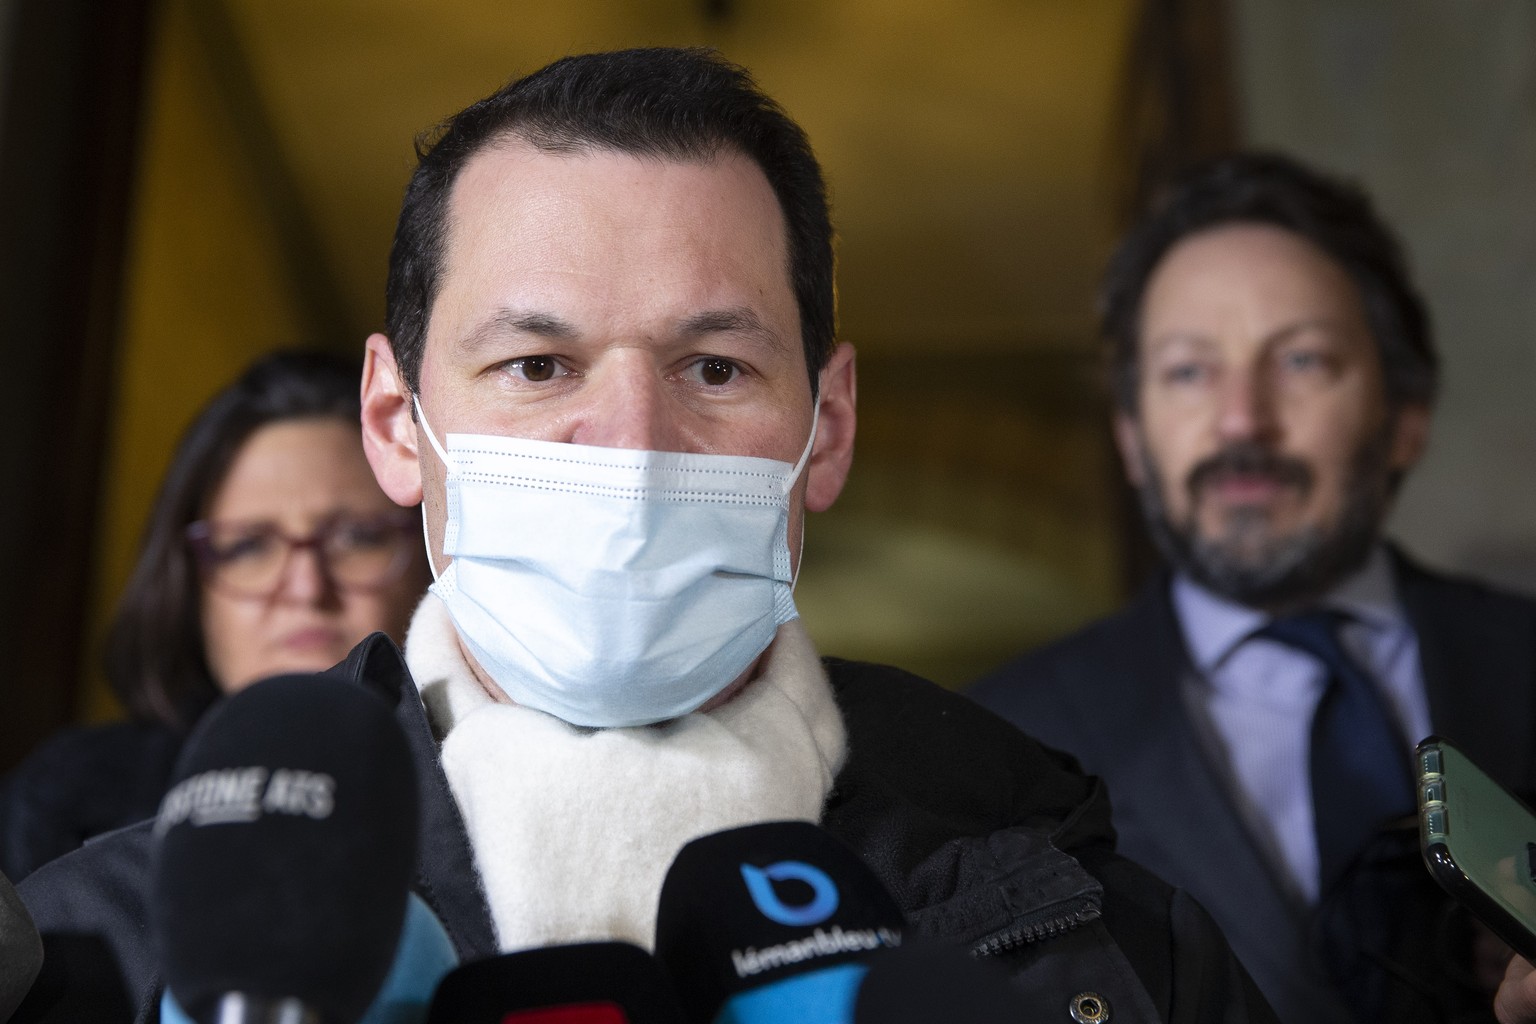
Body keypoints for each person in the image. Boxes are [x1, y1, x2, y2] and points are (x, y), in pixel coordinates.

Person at [16, 49, 1273, 1023]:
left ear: (825, 427)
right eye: (536, 363)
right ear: (398, 424)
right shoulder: (104, 949)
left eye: (715, 367)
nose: (629, 442)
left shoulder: (1092, 931)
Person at [972, 152, 1536, 1024]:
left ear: (1407, 417)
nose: (1242, 418)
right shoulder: (998, 746)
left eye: (1303, 360)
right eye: (1189, 371)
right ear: (1131, 436)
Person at [0, 351, 429, 882]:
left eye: (358, 538)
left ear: (433, 556)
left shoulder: (496, 786)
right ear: (188, 587)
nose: (305, 588)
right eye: (249, 546)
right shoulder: (65, 806)